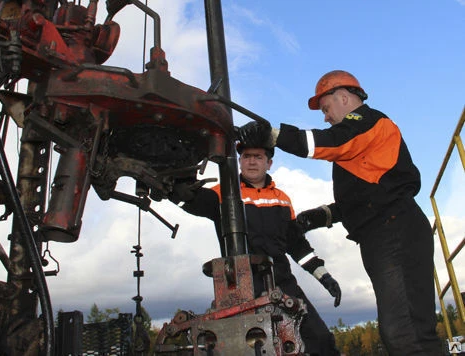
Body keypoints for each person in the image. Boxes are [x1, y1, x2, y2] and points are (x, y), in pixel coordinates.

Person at [237, 70, 442, 355]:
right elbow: (359, 199)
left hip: (395, 231)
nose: (325, 116)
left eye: (326, 108)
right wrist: (316, 217)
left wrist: (271, 134)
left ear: (344, 97)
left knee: (406, 333)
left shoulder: (370, 122)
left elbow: (331, 141)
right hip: (383, 234)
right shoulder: (357, 149)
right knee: (398, 332)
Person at [172, 143, 341, 356]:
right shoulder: (223, 193)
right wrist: (175, 186)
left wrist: (324, 277)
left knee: (320, 340)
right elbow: (191, 200)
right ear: (239, 161)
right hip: (240, 284)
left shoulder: (282, 198)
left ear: (269, 163)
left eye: (258, 157)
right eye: (247, 156)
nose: (252, 161)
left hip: (282, 281)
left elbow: (297, 245)